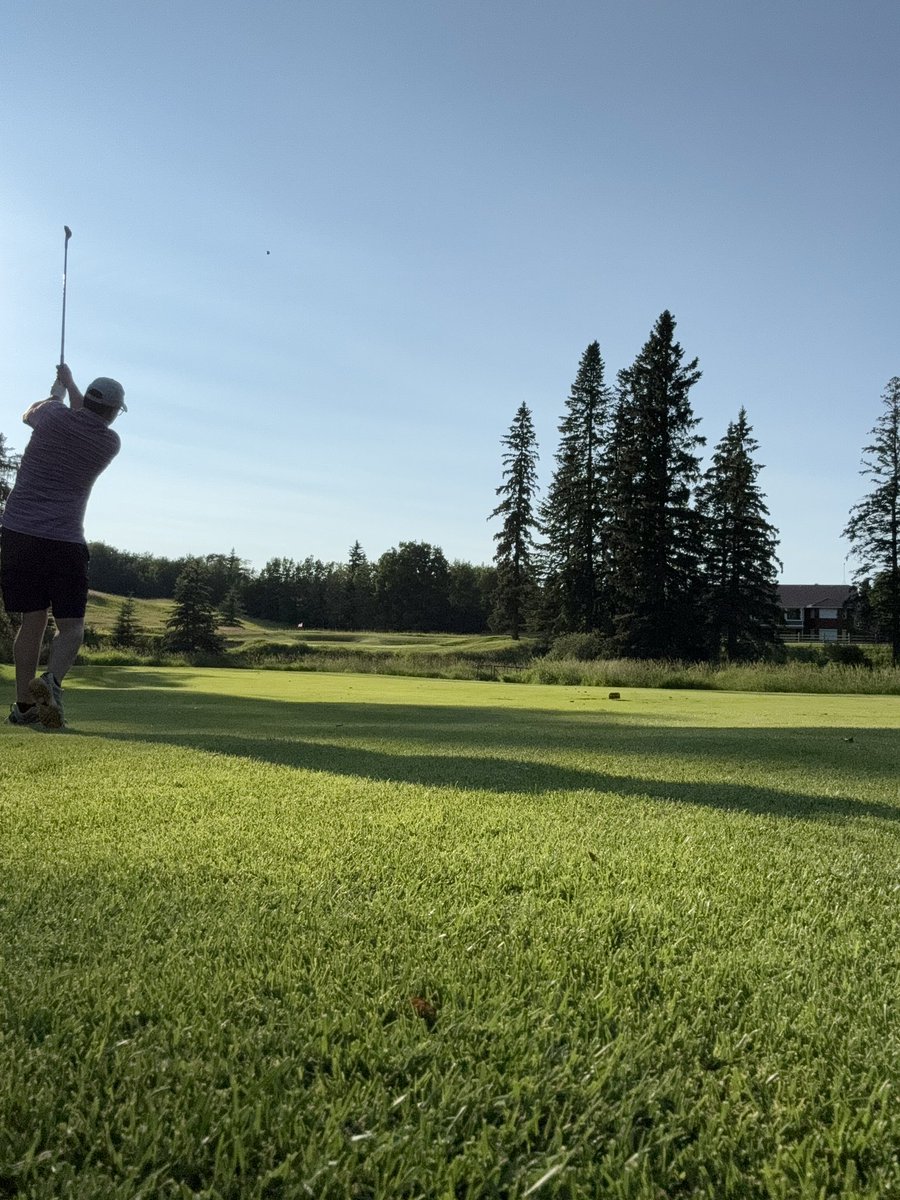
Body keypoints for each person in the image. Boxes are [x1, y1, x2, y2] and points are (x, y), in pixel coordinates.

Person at [1, 364, 126, 729]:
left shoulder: (53, 416)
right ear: (115, 413)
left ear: (85, 399)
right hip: (64, 540)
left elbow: (31, 414)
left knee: (31, 622)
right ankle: (51, 683)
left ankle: (25, 707)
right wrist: (69, 385)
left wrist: (57, 389)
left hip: (18, 533)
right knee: (71, 628)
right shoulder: (108, 443)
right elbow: (85, 419)